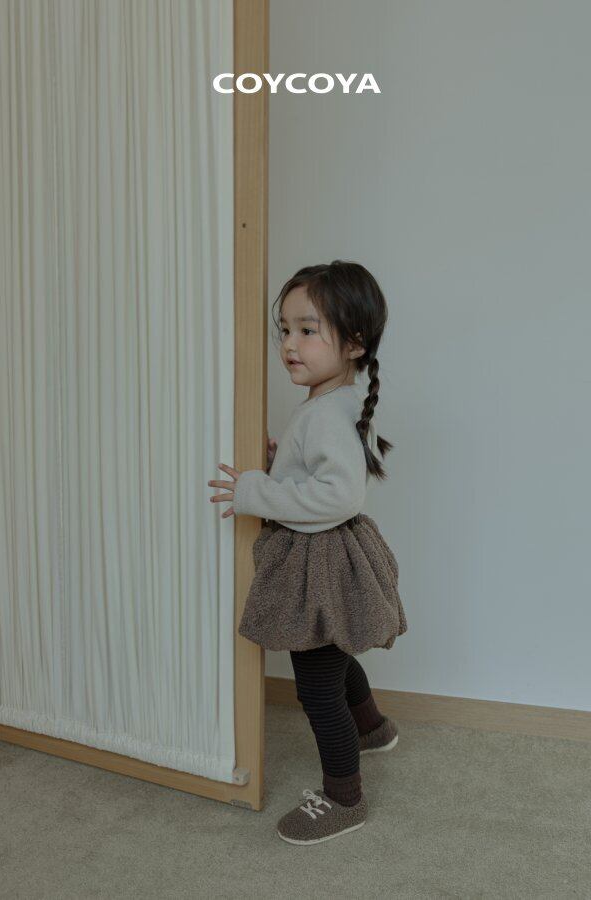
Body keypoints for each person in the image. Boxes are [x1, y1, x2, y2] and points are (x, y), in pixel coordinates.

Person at [207, 260, 408, 845]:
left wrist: (255, 491)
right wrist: (282, 465)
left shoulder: (325, 413)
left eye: (307, 330)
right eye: (285, 330)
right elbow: (330, 474)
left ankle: (345, 798)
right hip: (333, 555)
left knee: (317, 688)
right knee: (334, 651)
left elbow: (338, 495)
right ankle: (371, 728)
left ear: (354, 343)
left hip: (319, 563)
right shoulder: (340, 402)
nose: (289, 345)